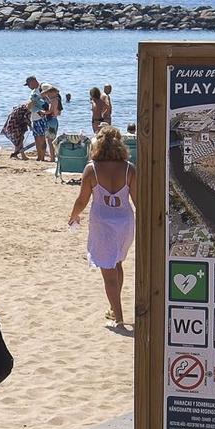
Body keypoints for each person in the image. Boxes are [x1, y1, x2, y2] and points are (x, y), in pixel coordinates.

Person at [68, 128, 137, 328]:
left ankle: (119, 316)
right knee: (117, 264)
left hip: (102, 223)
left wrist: (73, 217)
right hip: (125, 222)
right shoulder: (129, 168)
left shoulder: (92, 169)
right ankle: (113, 308)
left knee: (108, 272)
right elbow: (138, 200)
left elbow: (82, 200)